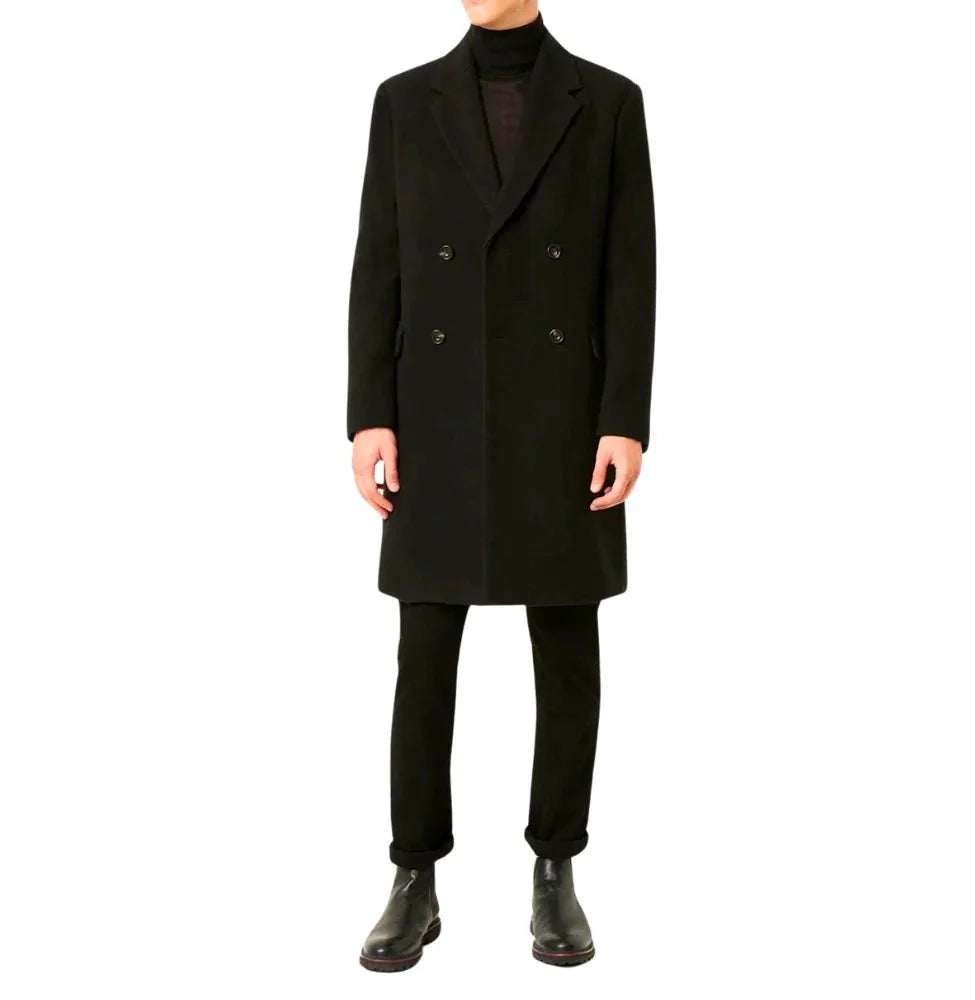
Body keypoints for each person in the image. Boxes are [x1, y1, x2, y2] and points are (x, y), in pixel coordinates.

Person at [347, 0, 656, 970]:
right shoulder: (404, 102)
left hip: (560, 416)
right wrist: (369, 412)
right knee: (424, 652)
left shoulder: (608, 102)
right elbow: (377, 263)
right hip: (435, 414)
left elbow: (630, 270)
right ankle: (413, 875)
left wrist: (623, 417)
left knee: (565, 648)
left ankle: (556, 867)